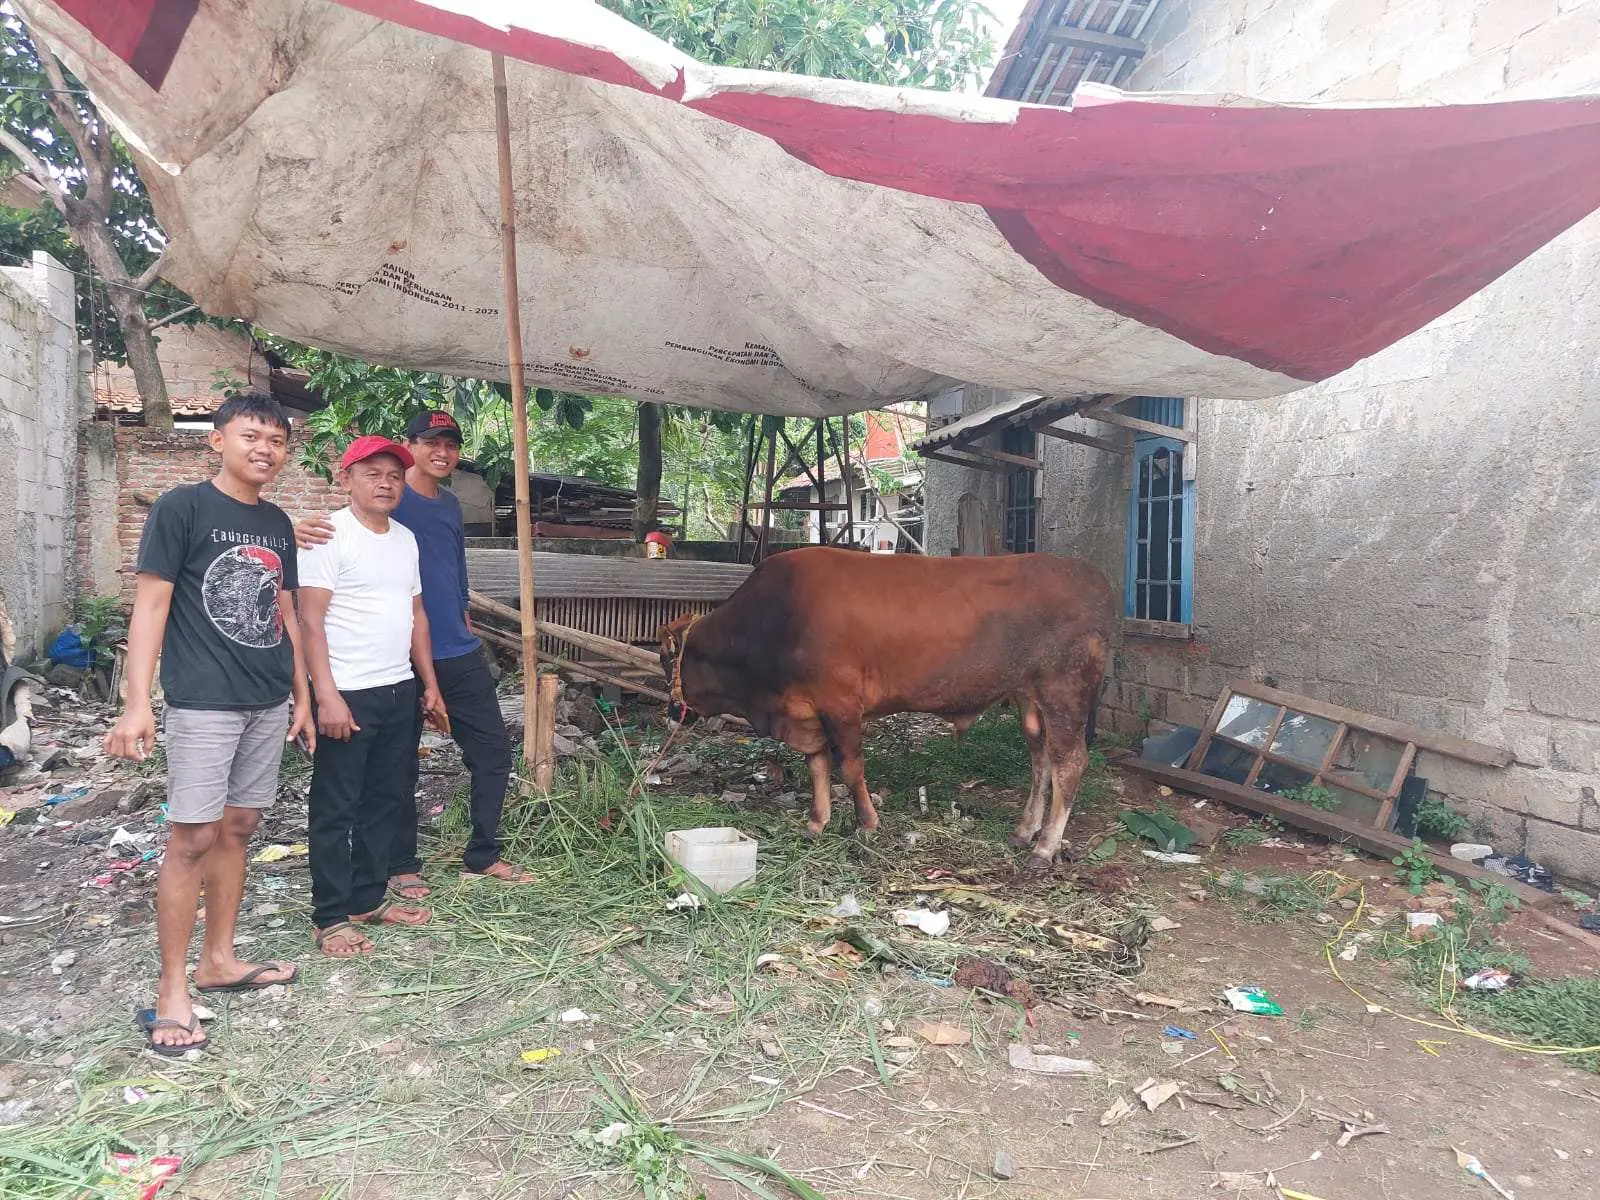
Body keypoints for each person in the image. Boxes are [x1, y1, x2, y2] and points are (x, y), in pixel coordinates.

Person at [104, 393, 313, 1057]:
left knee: (240, 827)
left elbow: (286, 612)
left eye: (276, 441)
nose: (265, 450)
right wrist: (138, 701)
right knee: (191, 837)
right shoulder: (182, 509)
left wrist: (302, 693)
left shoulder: (277, 523)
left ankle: (218, 961)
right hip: (202, 701)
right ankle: (172, 986)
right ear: (216, 440)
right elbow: (151, 607)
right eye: (251, 435)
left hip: (266, 697)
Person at [295, 411, 532, 896]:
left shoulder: (446, 504)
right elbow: (335, 533)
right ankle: (401, 865)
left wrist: (463, 613)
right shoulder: (384, 505)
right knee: (396, 768)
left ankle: (483, 853)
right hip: (393, 658)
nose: (441, 453)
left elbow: (450, 570)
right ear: (411, 447)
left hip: (453, 649)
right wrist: (292, 529)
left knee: (492, 752)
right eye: (431, 443)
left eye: (451, 444)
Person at [297, 436, 447, 956]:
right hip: (350, 691)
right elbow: (310, 621)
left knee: (387, 798)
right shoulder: (328, 536)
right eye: (372, 474)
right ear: (346, 479)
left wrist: (427, 683)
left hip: (398, 686)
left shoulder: (405, 539)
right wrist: (327, 697)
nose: (386, 483)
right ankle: (330, 915)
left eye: (394, 475)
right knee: (337, 804)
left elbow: (417, 615)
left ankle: (367, 898)